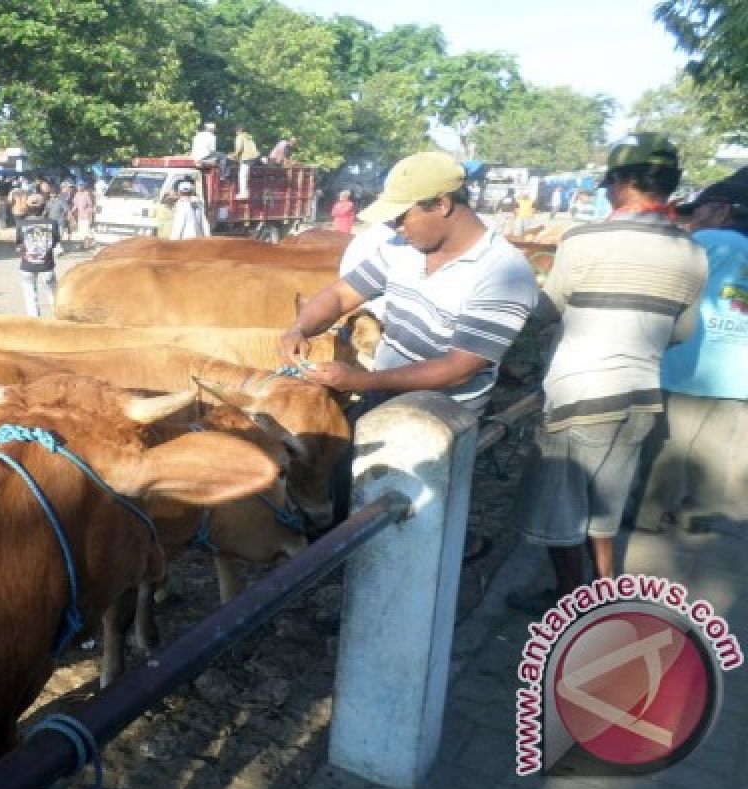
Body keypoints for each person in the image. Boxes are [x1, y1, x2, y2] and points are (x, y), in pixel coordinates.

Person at [280, 151, 538, 531]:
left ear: (443, 204)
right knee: (350, 493)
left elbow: (459, 368)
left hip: (438, 420)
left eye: (402, 216)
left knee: (415, 521)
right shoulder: (400, 249)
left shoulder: (503, 272)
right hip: (380, 398)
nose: (395, 225)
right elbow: (340, 295)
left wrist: (360, 380)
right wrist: (299, 329)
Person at [506, 133, 708, 615]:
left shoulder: (583, 240)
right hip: (641, 395)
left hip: (581, 392)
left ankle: (574, 606)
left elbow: (548, 311)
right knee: (603, 512)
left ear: (619, 184)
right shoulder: (692, 253)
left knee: (560, 512)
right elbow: (681, 332)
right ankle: (603, 592)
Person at [633, 179, 748, 535]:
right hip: (738, 371)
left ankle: (647, 516)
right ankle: (697, 516)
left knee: (667, 447)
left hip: (691, 365)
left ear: (721, 209)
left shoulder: (705, 243)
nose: (692, 220)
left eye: (697, 210)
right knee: (714, 451)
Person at [14, 193, 61, 317]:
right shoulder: (53, 223)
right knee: (53, 295)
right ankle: (58, 319)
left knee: (30, 296)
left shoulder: (21, 224)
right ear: (44, 207)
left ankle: (35, 322)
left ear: (28, 208)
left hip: (27, 265)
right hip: (47, 265)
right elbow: (55, 241)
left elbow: (19, 242)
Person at [230, 125, 260, 200]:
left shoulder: (240, 137)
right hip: (254, 157)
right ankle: (247, 191)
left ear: (239, 131)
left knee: (242, 175)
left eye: (236, 131)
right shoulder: (249, 137)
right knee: (247, 175)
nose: (236, 133)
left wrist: (234, 156)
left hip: (246, 157)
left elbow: (239, 148)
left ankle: (243, 193)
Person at [72, 183, 95, 249]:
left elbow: (90, 205)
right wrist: (71, 212)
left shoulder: (86, 195)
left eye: (80, 186)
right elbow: (75, 205)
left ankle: (87, 245)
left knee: (86, 231)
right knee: (81, 231)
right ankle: (83, 245)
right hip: (80, 216)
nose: (79, 188)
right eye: (78, 186)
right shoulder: (76, 195)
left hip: (86, 216)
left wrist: (90, 216)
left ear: (83, 187)